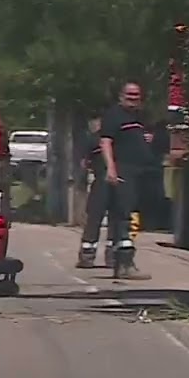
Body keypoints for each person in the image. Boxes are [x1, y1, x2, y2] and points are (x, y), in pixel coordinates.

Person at [98, 81, 154, 280]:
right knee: (124, 215)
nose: (133, 98)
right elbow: (106, 141)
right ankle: (124, 263)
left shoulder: (138, 117)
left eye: (136, 95)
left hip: (140, 171)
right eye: (129, 95)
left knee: (131, 215)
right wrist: (111, 168)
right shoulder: (114, 115)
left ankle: (120, 260)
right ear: (121, 96)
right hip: (124, 170)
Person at [75, 115, 114, 268]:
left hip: (104, 181)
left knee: (96, 219)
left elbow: (84, 163)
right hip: (107, 182)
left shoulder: (93, 139)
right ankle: (108, 256)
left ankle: (89, 255)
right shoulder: (94, 139)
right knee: (106, 219)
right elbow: (84, 162)